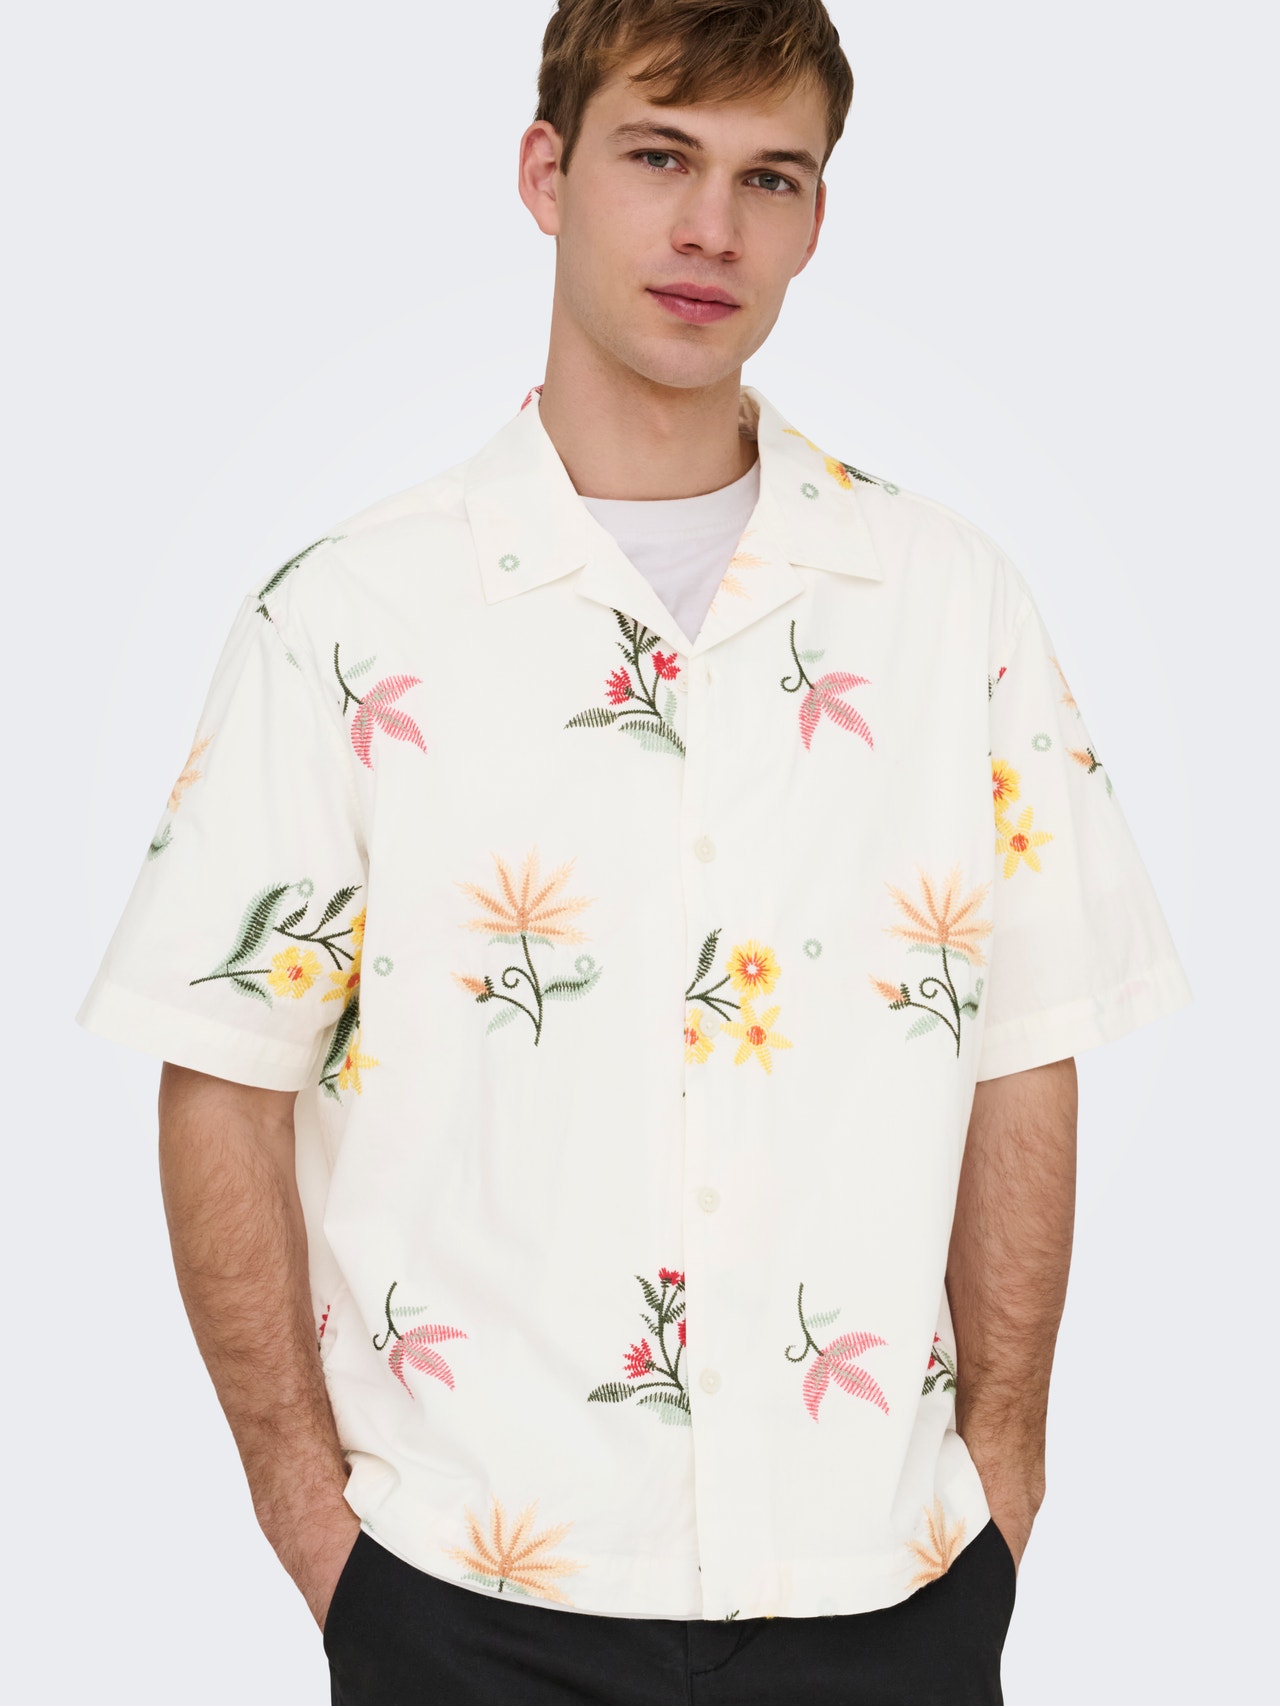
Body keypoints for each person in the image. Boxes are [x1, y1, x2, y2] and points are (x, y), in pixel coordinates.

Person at [74, 2, 1193, 1701]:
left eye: (770, 178)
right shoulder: (351, 620)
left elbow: (1028, 1048)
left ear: (817, 218)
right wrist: (318, 1531)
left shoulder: (948, 604)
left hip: (883, 1574)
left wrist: (1004, 1488)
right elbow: (220, 1073)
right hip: (463, 1588)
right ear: (548, 173)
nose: (710, 228)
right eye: (660, 157)